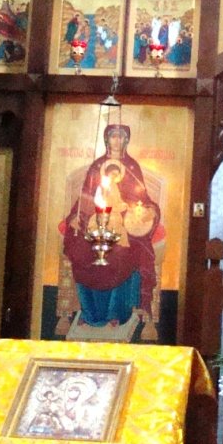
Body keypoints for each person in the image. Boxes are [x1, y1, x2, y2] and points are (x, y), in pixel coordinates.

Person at [62, 124, 161, 330]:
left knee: (119, 256)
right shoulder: (97, 166)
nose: (116, 141)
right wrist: (75, 216)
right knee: (81, 252)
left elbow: (141, 199)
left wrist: (145, 211)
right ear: (107, 140)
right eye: (113, 137)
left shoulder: (131, 167)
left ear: (126, 141)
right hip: (96, 222)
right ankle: (90, 313)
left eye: (120, 137)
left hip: (123, 225)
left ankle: (116, 314)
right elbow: (85, 197)